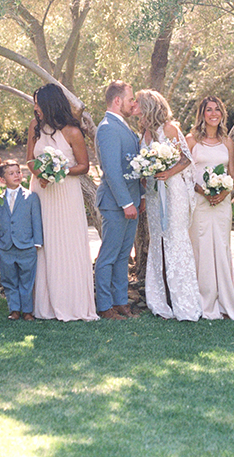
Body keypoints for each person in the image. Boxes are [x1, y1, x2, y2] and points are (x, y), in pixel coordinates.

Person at [27, 84, 98, 321]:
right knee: (44, 243)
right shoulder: (35, 128)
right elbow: (29, 160)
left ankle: (72, 303)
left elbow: (83, 166)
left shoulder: (72, 131)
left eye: (38, 102)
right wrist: (41, 174)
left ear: (50, 104)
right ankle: (45, 305)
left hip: (66, 194)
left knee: (67, 244)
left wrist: (58, 173)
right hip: (41, 192)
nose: (35, 107)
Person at [136, 89, 202, 322]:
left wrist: (167, 172)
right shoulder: (144, 132)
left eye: (138, 104)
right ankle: (158, 301)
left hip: (173, 191)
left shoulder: (170, 129)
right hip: (154, 195)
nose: (135, 108)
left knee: (175, 239)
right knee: (158, 241)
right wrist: (145, 173)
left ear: (149, 107)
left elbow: (186, 158)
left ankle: (185, 303)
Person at [186, 96, 234, 320]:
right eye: (209, 110)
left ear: (222, 114)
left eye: (217, 110)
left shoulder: (227, 141)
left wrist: (222, 193)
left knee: (221, 247)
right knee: (200, 248)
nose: (213, 114)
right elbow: (185, 174)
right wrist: (202, 191)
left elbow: (233, 174)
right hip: (199, 202)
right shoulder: (191, 140)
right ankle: (202, 302)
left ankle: (225, 301)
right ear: (202, 114)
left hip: (221, 203)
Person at [94, 81, 143, 320]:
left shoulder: (125, 127)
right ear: (117, 101)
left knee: (124, 256)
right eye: (130, 98)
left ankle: (120, 301)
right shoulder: (107, 128)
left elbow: (133, 166)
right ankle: (104, 306)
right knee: (109, 256)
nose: (133, 102)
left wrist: (139, 197)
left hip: (131, 201)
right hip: (116, 204)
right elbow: (112, 170)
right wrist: (126, 203)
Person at [0, 160, 43, 321]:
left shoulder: (31, 197)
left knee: (27, 279)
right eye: (11, 173)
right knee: (9, 279)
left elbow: (36, 220)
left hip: (26, 245)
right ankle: (14, 309)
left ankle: (27, 310)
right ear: (2, 179)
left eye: (18, 172)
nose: (16, 175)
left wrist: (37, 242)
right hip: (6, 246)